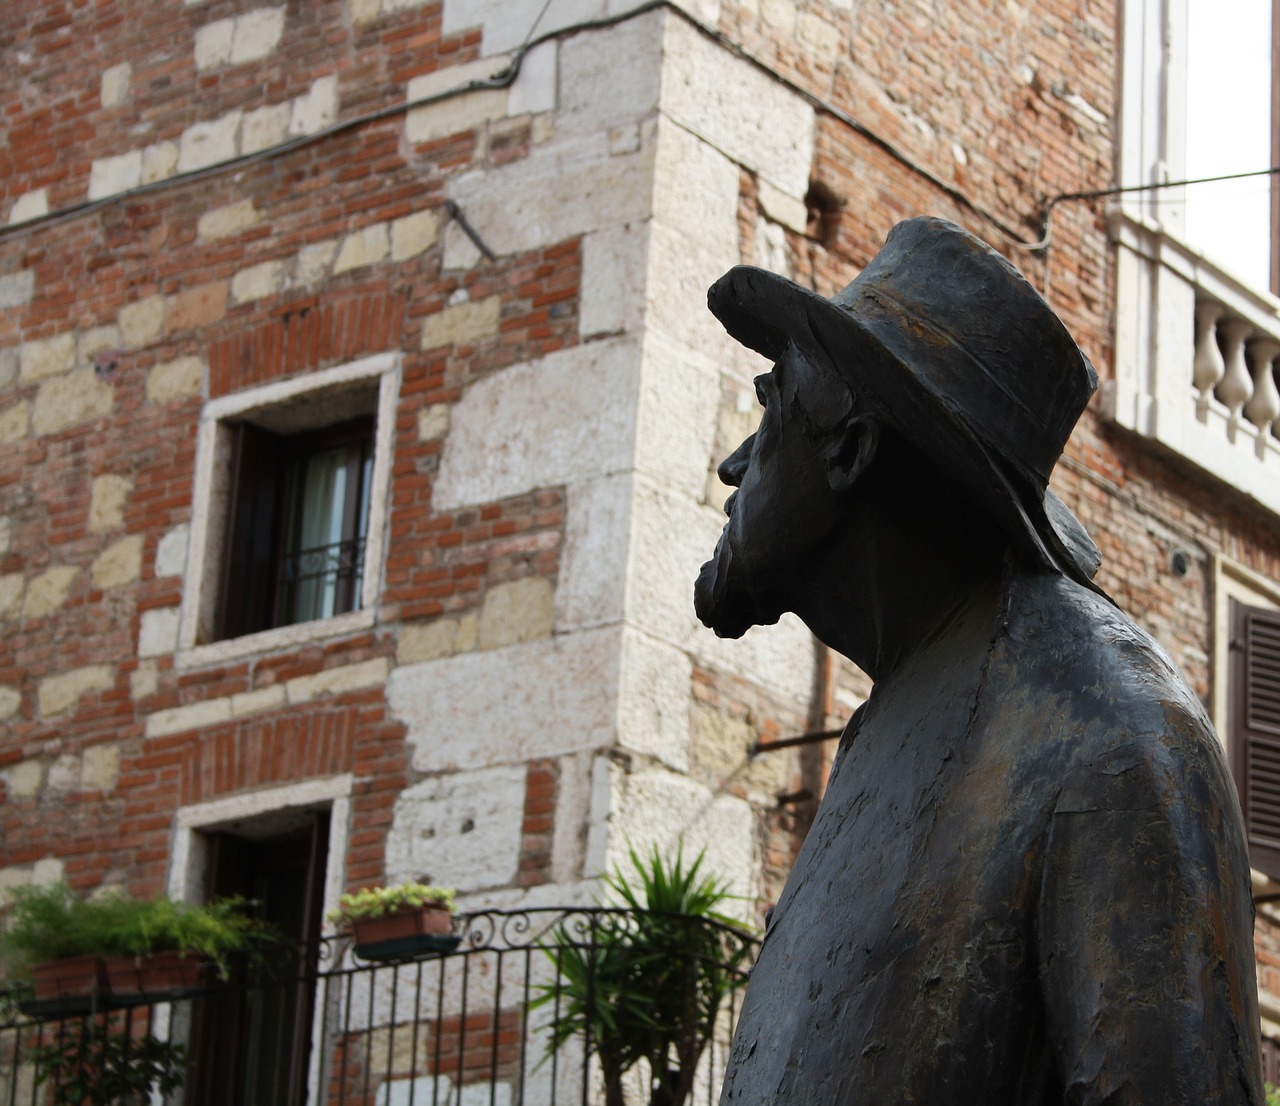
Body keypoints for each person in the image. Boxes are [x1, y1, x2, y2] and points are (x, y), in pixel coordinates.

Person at [696, 217, 1264, 1104]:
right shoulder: (901, 719)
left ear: (850, 448)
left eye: (772, 406)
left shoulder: (1110, 733)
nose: (734, 464)